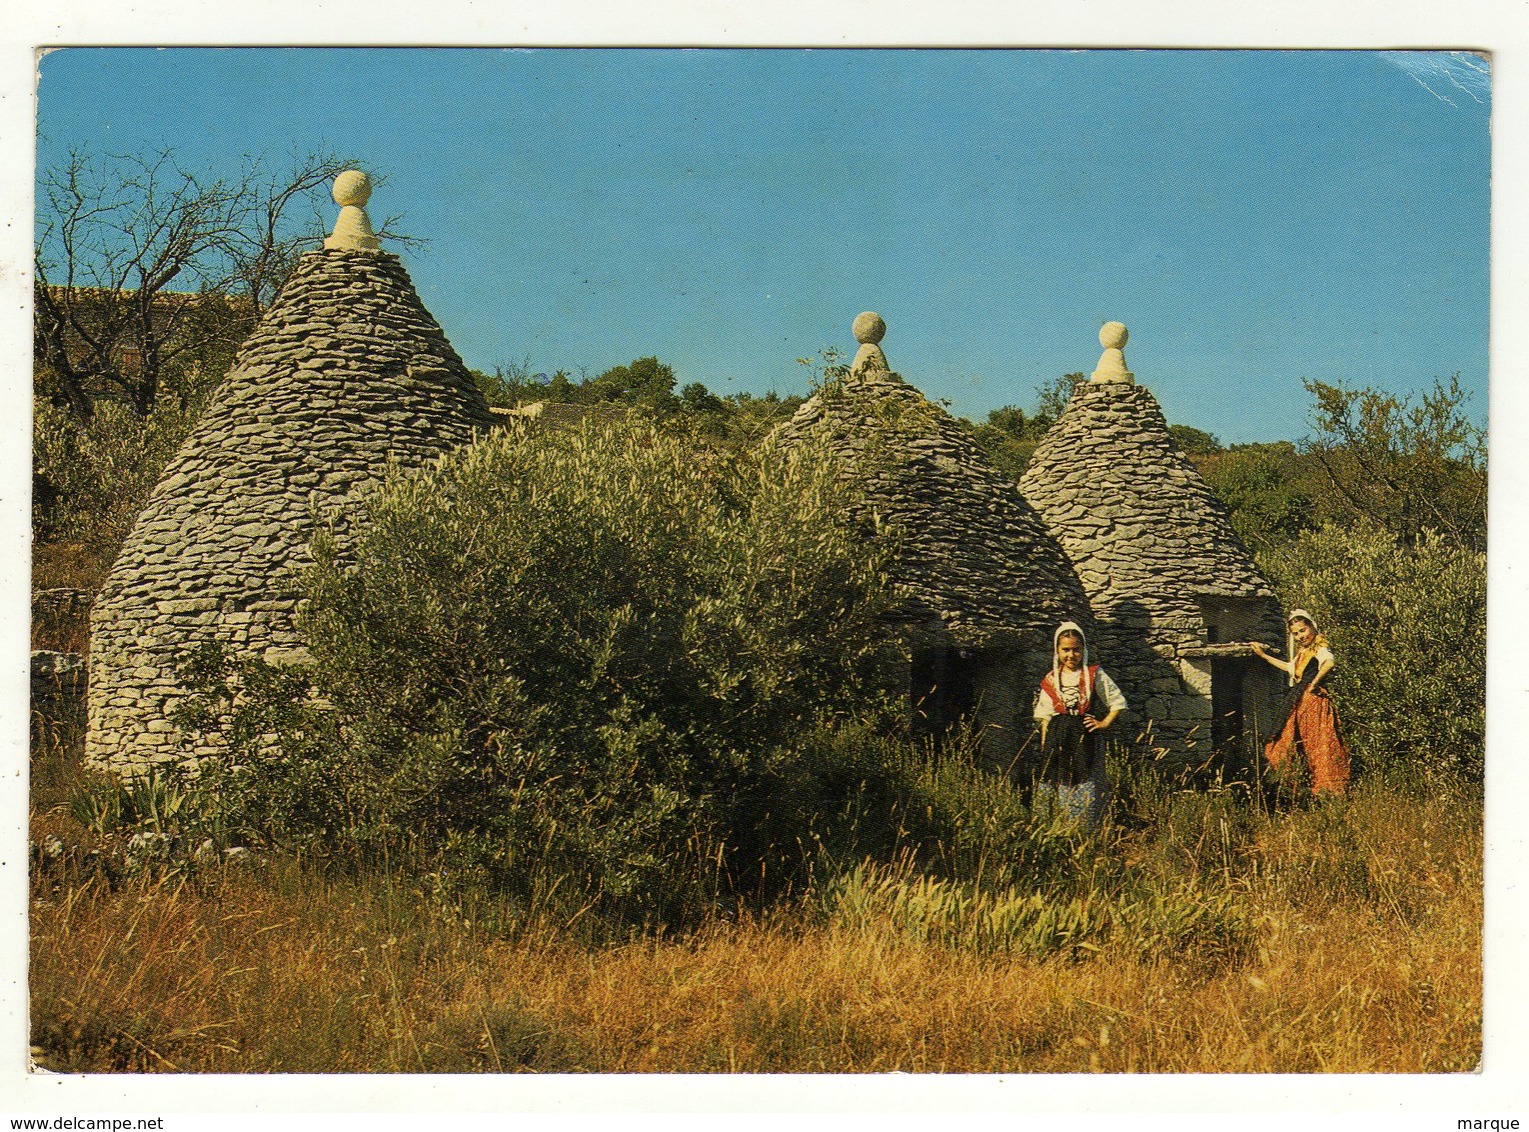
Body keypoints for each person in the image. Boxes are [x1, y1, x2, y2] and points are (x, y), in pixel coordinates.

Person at [1033, 621, 1126, 831]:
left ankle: (1085, 828)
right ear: (1057, 650)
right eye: (1065, 650)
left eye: (1076, 649)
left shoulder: (1094, 675)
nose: (1071, 655)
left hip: (1085, 735)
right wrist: (1045, 743)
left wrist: (1103, 723)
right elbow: (1045, 716)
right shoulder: (1051, 679)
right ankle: (1055, 827)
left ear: (1083, 650)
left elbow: (1117, 701)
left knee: (1085, 778)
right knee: (1056, 778)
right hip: (1058, 733)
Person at [1249, 609, 1351, 797]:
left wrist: (1314, 684)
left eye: (1302, 631)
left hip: (1313, 702)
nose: (1299, 636)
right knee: (1294, 740)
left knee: (1318, 742)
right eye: (1295, 633)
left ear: (1312, 626)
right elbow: (1289, 668)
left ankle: (1328, 789)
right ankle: (1300, 787)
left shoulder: (1320, 647)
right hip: (1300, 700)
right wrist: (1263, 656)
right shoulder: (1305, 651)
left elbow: (1329, 662)